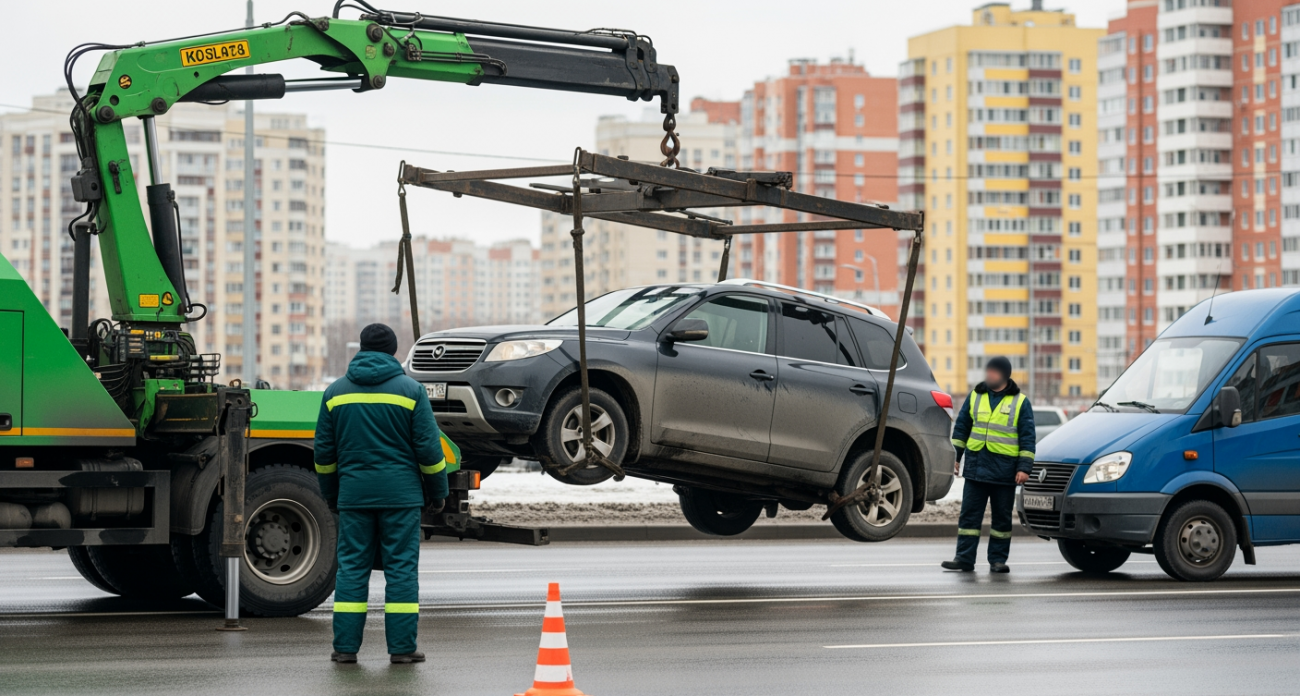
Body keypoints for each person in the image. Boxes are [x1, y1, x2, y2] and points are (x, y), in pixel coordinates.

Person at [314, 323, 448, 664]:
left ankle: (345, 649)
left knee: (352, 569)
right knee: (401, 571)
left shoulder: (335, 393)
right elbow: (429, 451)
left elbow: (324, 456)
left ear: (361, 348)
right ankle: (402, 650)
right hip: (401, 499)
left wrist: (332, 494)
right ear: (393, 351)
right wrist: (438, 492)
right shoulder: (411, 391)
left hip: (354, 497)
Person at [942, 356, 1035, 574]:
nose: (989, 375)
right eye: (988, 371)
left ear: (1004, 374)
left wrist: (1024, 468)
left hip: (1004, 471)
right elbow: (961, 429)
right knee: (969, 516)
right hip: (976, 468)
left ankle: (998, 560)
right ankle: (964, 558)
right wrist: (954, 457)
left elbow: (1028, 438)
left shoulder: (1020, 402)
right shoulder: (976, 395)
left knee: (1001, 519)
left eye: (993, 371)